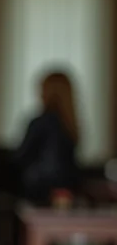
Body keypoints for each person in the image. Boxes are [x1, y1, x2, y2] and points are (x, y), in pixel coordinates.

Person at [12, 70, 82, 204]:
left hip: (39, 189)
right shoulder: (70, 126)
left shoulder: (40, 123)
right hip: (67, 190)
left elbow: (21, 157)